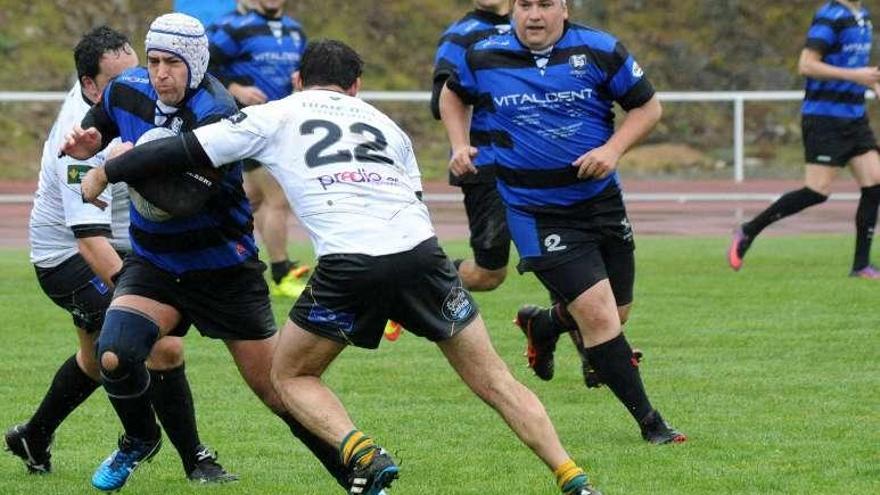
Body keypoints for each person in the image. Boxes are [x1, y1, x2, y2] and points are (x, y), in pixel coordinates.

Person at [79, 39, 603, 495]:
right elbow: (412, 199)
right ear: (356, 86)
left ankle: (362, 452)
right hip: (423, 257)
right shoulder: (386, 124)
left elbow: (183, 148)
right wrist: (401, 296)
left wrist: (105, 173)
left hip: (349, 263)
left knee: (289, 375)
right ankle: (572, 476)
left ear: (298, 80)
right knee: (497, 381)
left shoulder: (278, 112)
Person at [60, 14, 345, 492]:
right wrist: (93, 139)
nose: (160, 73)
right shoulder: (127, 87)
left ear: (194, 63)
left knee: (277, 391)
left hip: (223, 268)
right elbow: (105, 118)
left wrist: (116, 168)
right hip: (156, 264)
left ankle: (352, 468)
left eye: (172, 62)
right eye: (153, 61)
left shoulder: (218, 113)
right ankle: (139, 438)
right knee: (114, 355)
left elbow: (181, 201)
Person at [439, 0, 686, 444]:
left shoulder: (599, 49)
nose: (534, 14)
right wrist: (459, 144)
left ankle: (544, 324)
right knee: (597, 315)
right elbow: (452, 95)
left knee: (617, 312)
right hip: (535, 210)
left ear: (564, 10)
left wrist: (612, 151)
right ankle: (652, 424)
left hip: (600, 202)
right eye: (525, 4)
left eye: (545, 4)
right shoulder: (483, 52)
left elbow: (648, 108)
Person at [7, 25, 233, 483]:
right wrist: (148, 295)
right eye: (121, 79)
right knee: (159, 342)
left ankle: (33, 435)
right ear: (90, 86)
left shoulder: (143, 98)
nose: (145, 85)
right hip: (68, 255)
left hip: (131, 245)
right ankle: (179, 453)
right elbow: (88, 239)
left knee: (95, 361)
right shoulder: (79, 141)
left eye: (145, 71)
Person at [728, 0, 880, 279]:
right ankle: (748, 231)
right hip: (825, 118)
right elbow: (807, 65)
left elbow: (851, 66)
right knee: (817, 192)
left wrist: (872, 83)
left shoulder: (863, 18)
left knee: (875, 183)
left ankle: (861, 266)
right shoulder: (830, 15)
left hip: (855, 118)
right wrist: (857, 76)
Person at [207, 0, 310, 297]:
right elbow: (206, 67)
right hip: (250, 126)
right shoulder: (234, 28)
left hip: (283, 126)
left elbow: (302, 72)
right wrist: (236, 89)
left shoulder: (294, 31)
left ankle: (211, 257)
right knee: (278, 198)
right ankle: (282, 273)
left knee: (248, 200)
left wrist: (301, 82)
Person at [431, 0, 513, 291]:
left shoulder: (531, 27)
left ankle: (554, 326)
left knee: (560, 256)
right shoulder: (462, 35)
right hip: (487, 165)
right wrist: (461, 146)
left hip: (540, 163)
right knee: (488, 274)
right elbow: (443, 101)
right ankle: (413, 283)